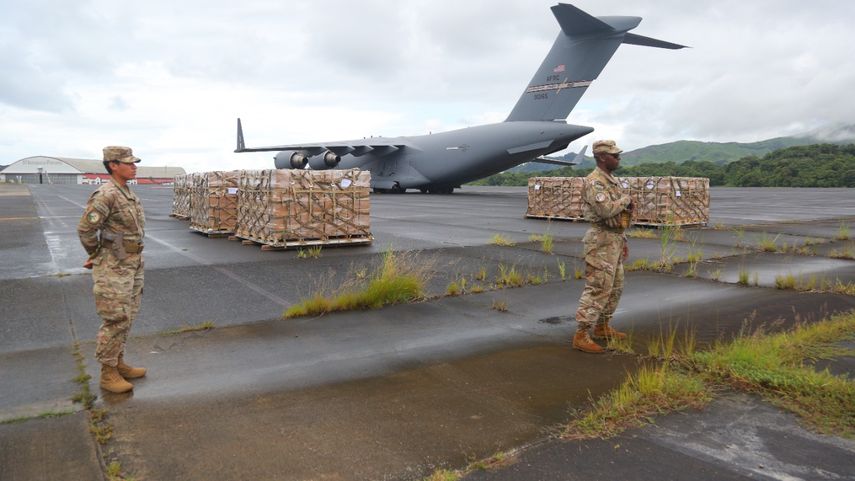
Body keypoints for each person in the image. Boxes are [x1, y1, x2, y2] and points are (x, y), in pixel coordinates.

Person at [77, 146, 147, 393]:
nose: (134, 166)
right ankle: (108, 374)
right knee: (115, 319)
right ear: (113, 165)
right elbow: (85, 229)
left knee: (128, 316)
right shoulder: (105, 194)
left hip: (131, 264)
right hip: (114, 268)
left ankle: (118, 363)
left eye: (134, 162)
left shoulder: (127, 192)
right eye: (128, 163)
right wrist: (96, 254)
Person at [573, 140, 633, 353]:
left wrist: (622, 239)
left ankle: (602, 326)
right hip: (600, 240)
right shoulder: (595, 182)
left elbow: (617, 217)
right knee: (598, 287)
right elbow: (606, 211)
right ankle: (582, 334)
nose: (618, 159)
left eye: (618, 155)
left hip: (614, 239)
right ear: (601, 157)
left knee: (615, 286)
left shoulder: (611, 181)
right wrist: (625, 200)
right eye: (614, 156)